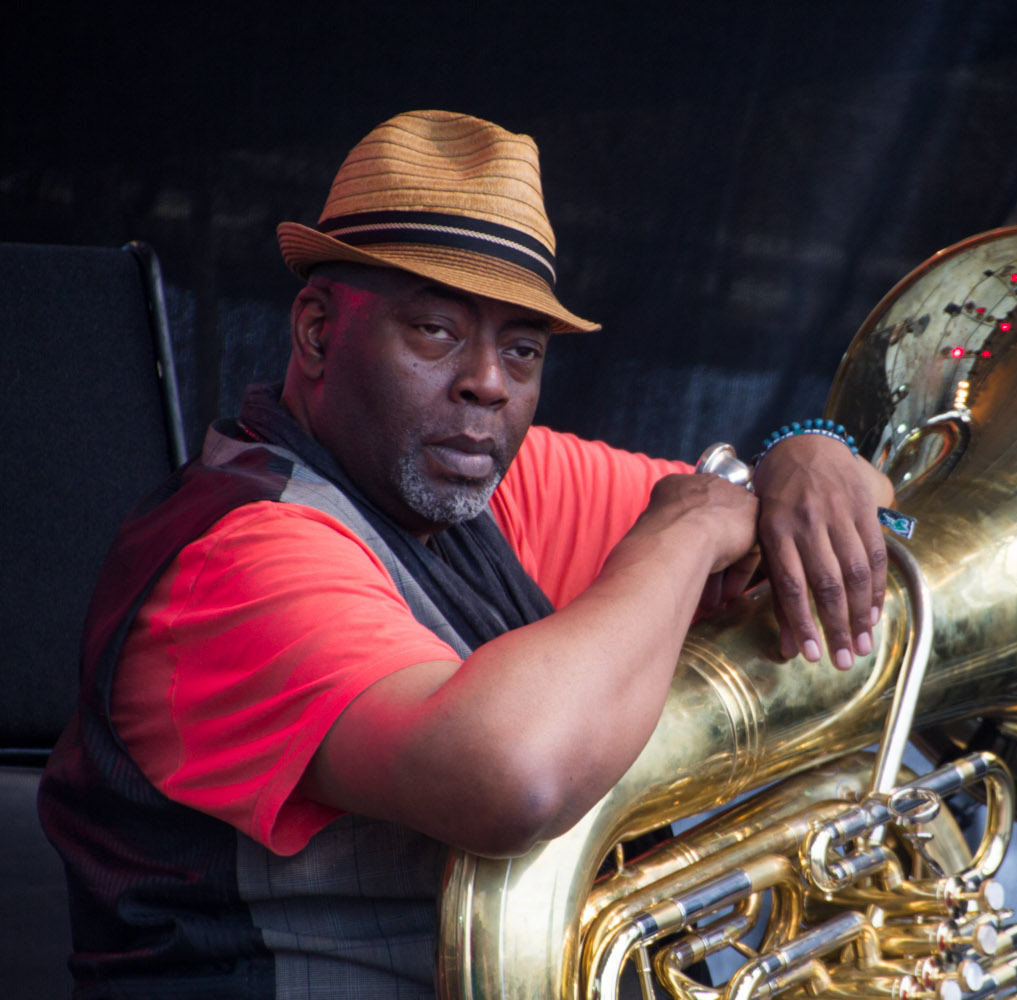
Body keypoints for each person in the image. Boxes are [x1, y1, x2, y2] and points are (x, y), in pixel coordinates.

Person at [37, 110, 894, 998]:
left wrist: (808, 454)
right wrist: (682, 535)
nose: (487, 382)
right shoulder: (240, 555)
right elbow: (512, 777)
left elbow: (829, 513)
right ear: (318, 332)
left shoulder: (477, 486)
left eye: (521, 349)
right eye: (435, 330)